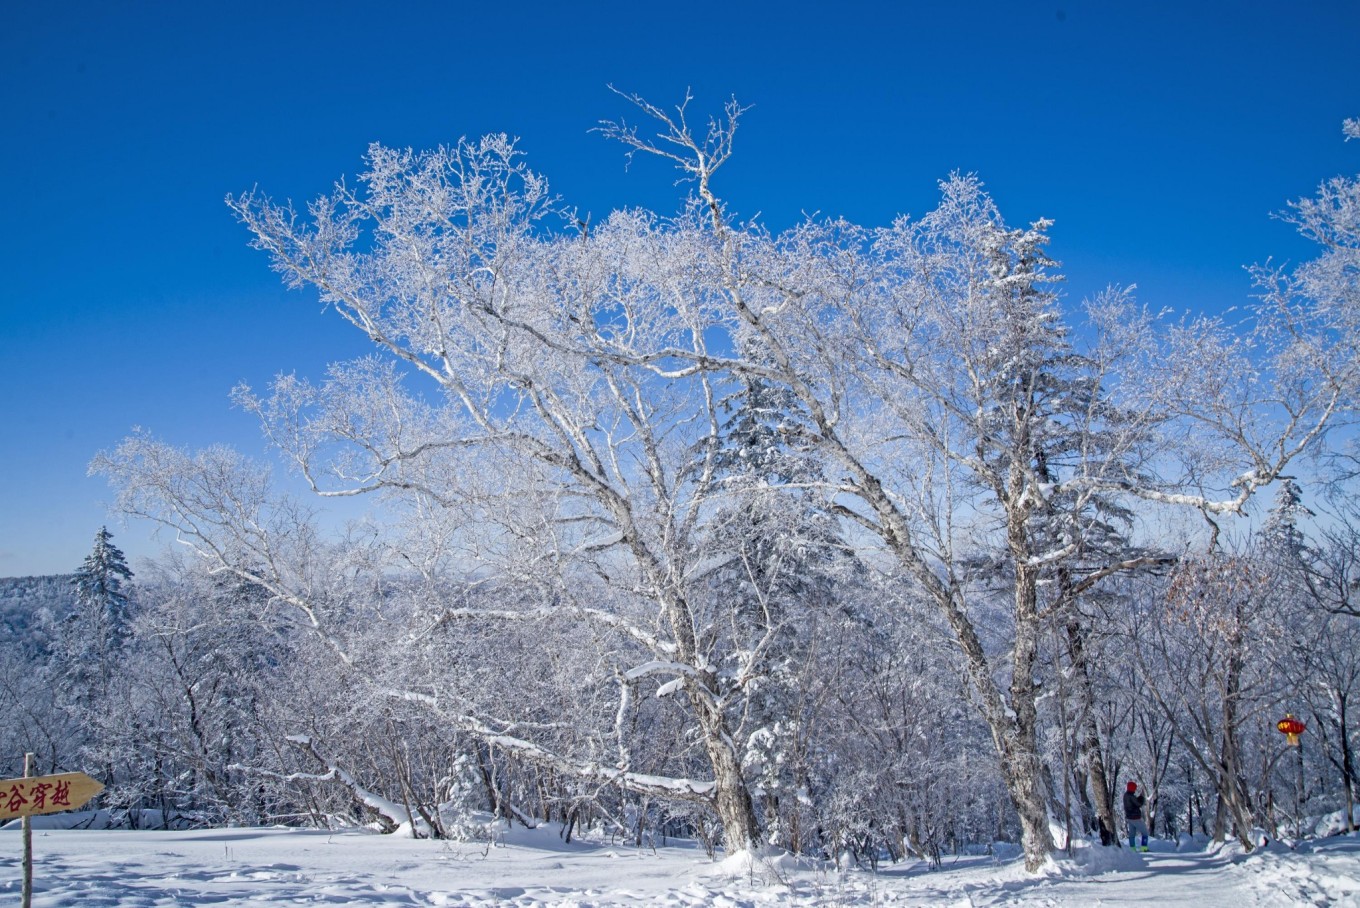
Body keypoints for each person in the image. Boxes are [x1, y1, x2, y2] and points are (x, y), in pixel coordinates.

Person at [1123, 781, 1149, 851]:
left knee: (1132, 835)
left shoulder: (1125, 795)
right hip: (1136, 817)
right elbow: (1138, 804)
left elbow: (1133, 802)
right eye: (1135, 788)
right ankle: (1144, 848)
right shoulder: (1131, 796)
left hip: (1129, 818)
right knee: (1145, 833)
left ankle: (1132, 849)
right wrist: (1142, 797)